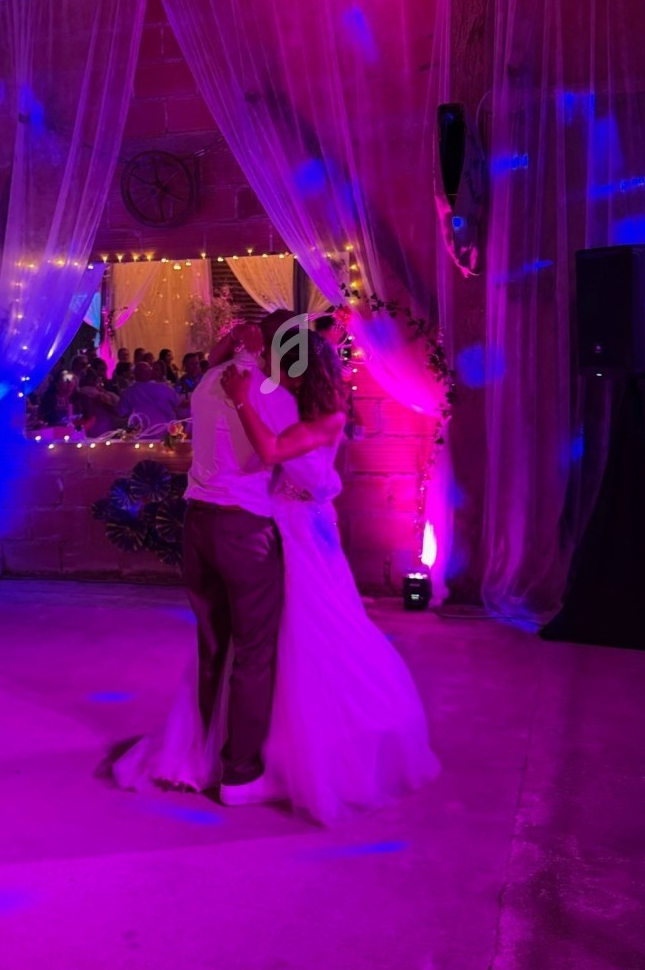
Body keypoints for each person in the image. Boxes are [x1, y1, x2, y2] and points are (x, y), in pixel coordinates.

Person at [114, 314, 437, 823]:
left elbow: (300, 467)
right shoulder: (279, 402)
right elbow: (288, 464)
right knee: (260, 651)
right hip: (255, 529)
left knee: (232, 644)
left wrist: (235, 351)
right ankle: (240, 770)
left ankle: (211, 751)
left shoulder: (212, 384)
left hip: (218, 526)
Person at [117, 361, 184, 431]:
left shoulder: (127, 393)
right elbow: (178, 403)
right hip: (166, 432)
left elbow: (121, 412)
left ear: (134, 374)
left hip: (140, 434)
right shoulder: (165, 388)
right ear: (150, 373)